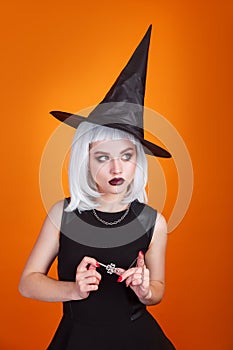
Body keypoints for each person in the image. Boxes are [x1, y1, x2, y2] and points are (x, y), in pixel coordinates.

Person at [19, 25, 176, 349]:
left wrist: (146, 290)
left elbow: (158, 289)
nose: (116, 168)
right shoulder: (63, 214)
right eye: (103, 157)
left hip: (137, 338)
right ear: (85, 162)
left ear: (138, 161)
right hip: (78, 338)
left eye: (126, 156)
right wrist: (73, 291)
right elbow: (28, 283)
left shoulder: (154, 222)